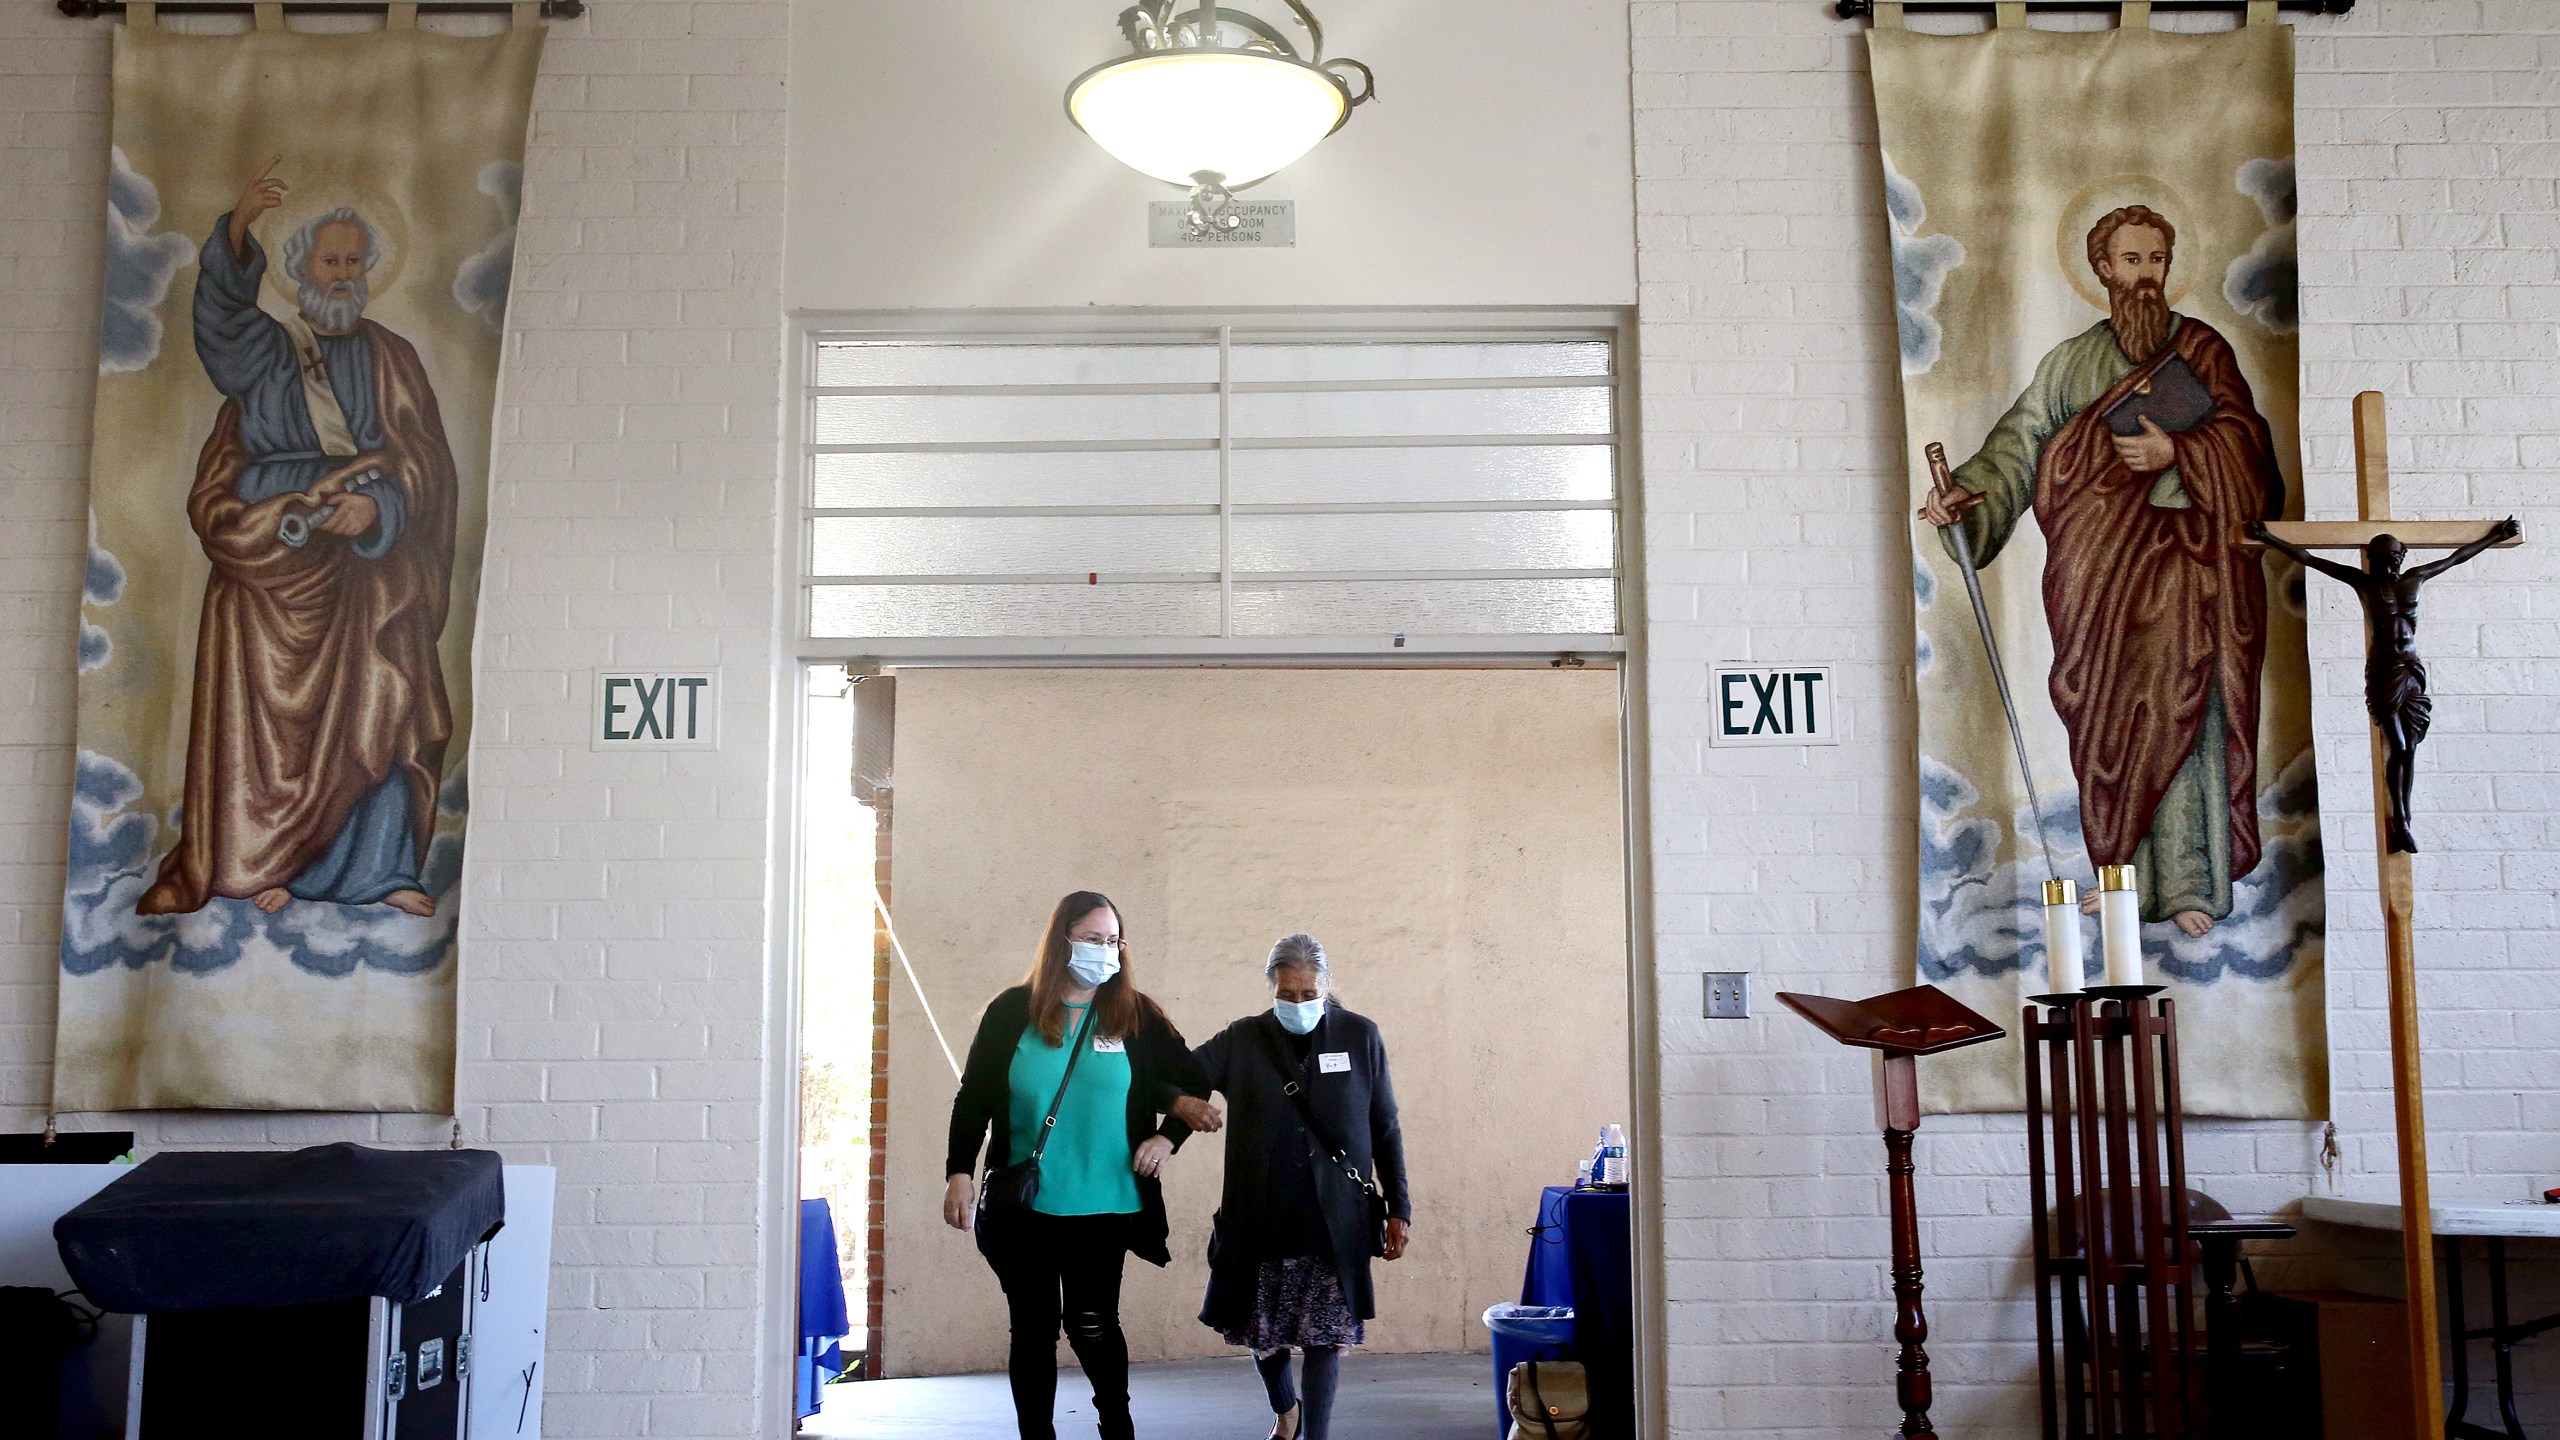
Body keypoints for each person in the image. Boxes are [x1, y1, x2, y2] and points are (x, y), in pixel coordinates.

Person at [1917, 205, 2287, 937]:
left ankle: (2187, 882)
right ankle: (2122, 878)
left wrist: (2180, 456)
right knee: (2112, 724)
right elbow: (2018, 448)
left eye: (2156, 260)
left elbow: (2247, 450)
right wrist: (1968, 494)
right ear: (2103, 270)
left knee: (2180, 706)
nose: (2145, 275)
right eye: (2131, 261)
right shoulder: (2070, 364)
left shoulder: (2204, 351)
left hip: (2187, 571)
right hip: (2098, 584)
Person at [141, 158, 459, 919]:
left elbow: (426, 463)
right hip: (272, 570)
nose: (344, 274)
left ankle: (378, 871)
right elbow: (219, 329)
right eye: (330, 260)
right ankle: (270, 862)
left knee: (384, 699)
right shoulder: (266, 352)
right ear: (299, 268)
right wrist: (238, 229)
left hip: (366, 576)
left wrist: (378, 509)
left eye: (355, 261)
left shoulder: (393, 357)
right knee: (267, 733)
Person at [944, 891, 1204, 1440]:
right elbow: (975, 1097)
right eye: (1092, 939)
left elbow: (1193, 1082)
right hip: (1027, 1202)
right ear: (1062, 940)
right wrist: (959, 1171)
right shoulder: (1011, 1011)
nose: (1104, 950)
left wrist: (1167, 1136)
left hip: (1106, 1200)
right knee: (1033, 1330)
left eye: (1112, 940)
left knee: (1092, 1325)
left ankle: (1117, 1424)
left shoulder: (1136, 1014)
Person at [1162, 934, 1410, 1440]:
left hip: (1335, 1219)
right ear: (1271, 988)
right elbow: (1174, 1076)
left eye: (1307, 993)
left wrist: (1398, 1206)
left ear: (1326, 986)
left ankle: (1315, 1435)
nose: (1298, 1003)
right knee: (1264, 1336)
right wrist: (1180, 1107)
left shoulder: (1360, 1036)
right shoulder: (1243, 1038)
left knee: (1323, 1340)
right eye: (1287, 994)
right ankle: (1285, 1408)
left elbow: (1385, 1125)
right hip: (1260, 1216)